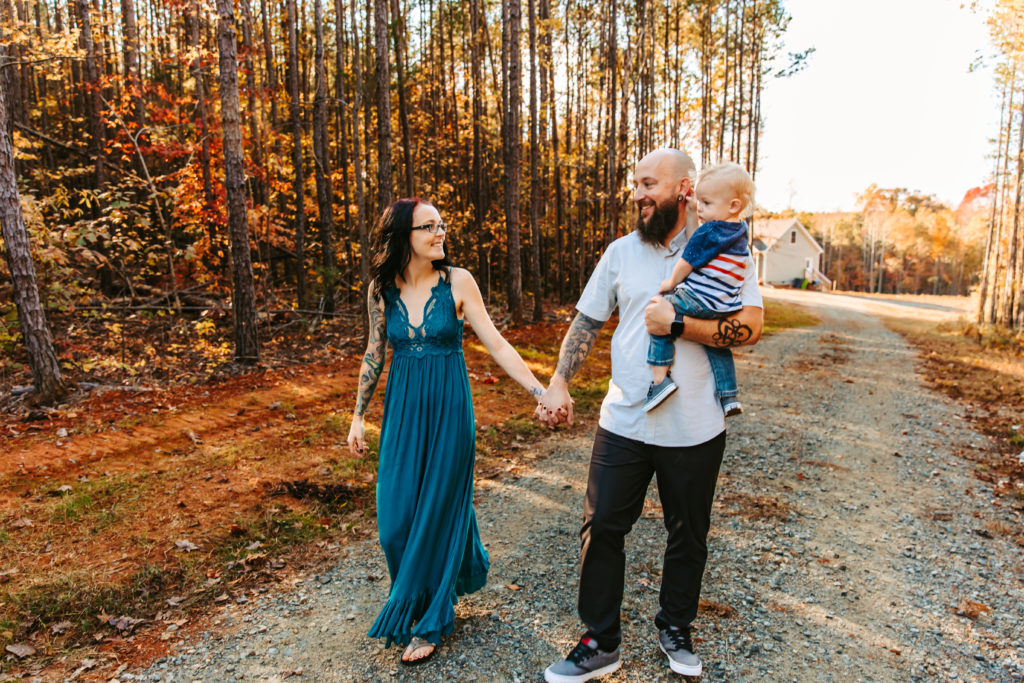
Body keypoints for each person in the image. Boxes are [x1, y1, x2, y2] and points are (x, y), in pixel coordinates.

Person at [537, 149, 762, 682]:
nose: (637, 194)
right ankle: (599, 641)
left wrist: (679, 326)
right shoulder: (620, 253)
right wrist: (559, 381)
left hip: (696, 425)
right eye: (635, 185)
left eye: (647, 184)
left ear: (685, 189)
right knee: (602, 525)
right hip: (625, 420)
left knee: (689, 533)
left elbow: (751, 327)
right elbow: (588, 322)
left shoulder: (728, 246)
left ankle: (676, 627)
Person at [346, 197, 546, 665]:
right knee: (394, 525)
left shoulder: (459, 282)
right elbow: (374, 352)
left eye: (442, 225)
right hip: (402, 412)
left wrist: (540, 391)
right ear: (403, 236)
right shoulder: (381, 289)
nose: (440, 233)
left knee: (436, 510)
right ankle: (427, 593)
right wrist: (358, 416)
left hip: (451, 412)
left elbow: (495, 341)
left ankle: (430, 620)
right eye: (428, 227)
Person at [644, 161, 755, 415]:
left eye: (707, 203)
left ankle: (660, 380)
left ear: (733, 205)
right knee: (717, 346)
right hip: (725, 306)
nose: (701, 209)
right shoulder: (739, 232)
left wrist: (670, 284)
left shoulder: (712, 231)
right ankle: (729, 395)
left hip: (698, 299)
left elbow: (690, 257)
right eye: (700, 202)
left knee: (658, 313)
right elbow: (702, 239)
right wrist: (696, 210)